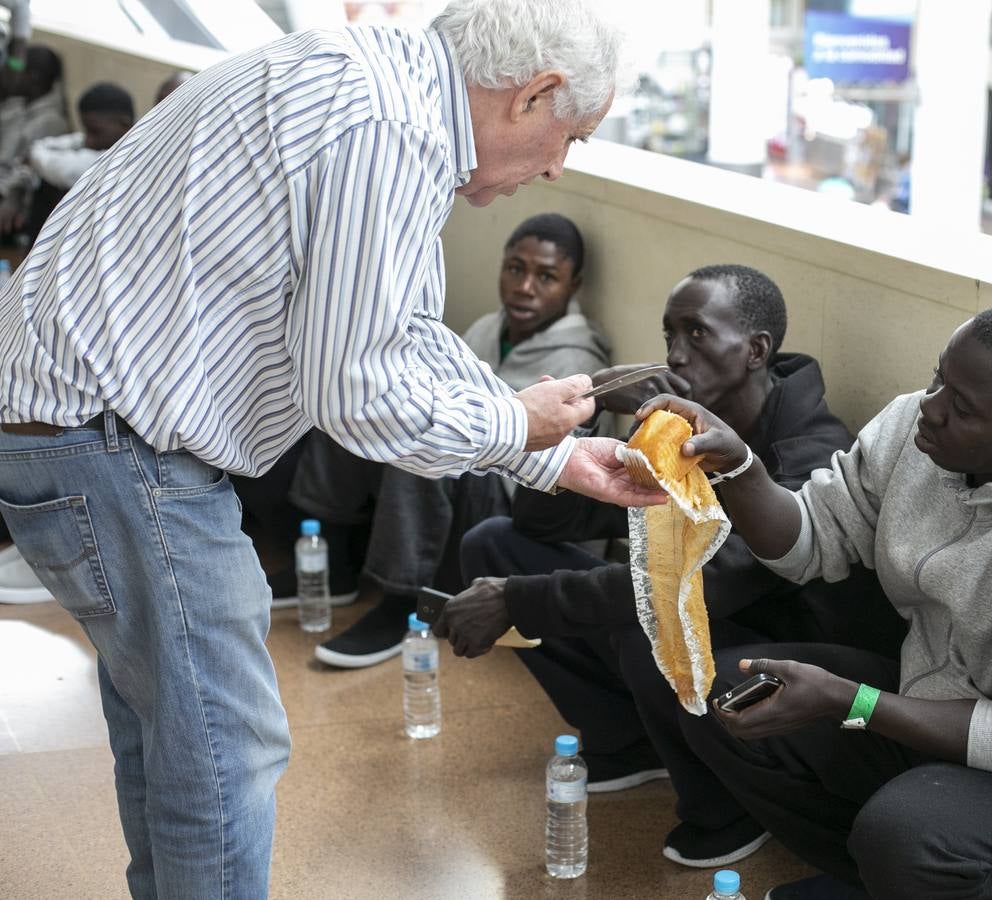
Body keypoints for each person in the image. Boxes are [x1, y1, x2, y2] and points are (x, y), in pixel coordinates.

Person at [0, 3, 658, 898]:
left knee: (177, 737)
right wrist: (520, 427)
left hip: (79, 421)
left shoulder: (379, 76)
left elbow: (405, 335)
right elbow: (360, 397)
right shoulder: (390, 126)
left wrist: (552, 455)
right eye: (569, 136)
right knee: (225, 745)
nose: (554, 166)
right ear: (533, 93)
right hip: (108, 439)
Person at [640, 295, 992, 899]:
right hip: (937, 696)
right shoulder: (919, 428)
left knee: (906, 833)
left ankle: (913, 870)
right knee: (725, 698)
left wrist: (851, 700)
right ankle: (879, 883)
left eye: (962, 407)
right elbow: (811, 539)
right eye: (937, 378)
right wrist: (738, 465)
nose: (930, 408)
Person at [439, 264, 905, 868]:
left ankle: (725, 805)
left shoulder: (809, 449)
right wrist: (588, 417)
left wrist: (517, 601)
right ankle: (629, 742)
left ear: (756, 350)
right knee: (494, 543)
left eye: (698, 335)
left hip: (790, 653)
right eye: (669, 337)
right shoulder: (678, 425)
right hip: (708, 622)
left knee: (652, 618)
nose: (676, 356)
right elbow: (541, 527)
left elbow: (699, 586)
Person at [285, 212, 613, 668]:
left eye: (547, 276)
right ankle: (333, 559)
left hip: (513, 497)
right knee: (349, 396)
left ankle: (403, 602)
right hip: (476, 473)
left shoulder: (575, 358)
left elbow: (552, 487)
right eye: (516, 268)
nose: (525, 287)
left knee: (433, 440)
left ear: (572, 285)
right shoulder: (486, 328)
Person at [0, 81, 135, 241]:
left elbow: (63, 170)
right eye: (86, 131)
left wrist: (33, 157)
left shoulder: (125, 157)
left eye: (95, 131)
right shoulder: (101, 140)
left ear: (124, 125)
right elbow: (46, 146)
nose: (89, 140)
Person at [0, 44, 67, 169]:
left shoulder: (50, 123)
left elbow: (19, 170)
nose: (8, 73)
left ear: (34, 77)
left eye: (16, 69)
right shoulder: (15, 104)